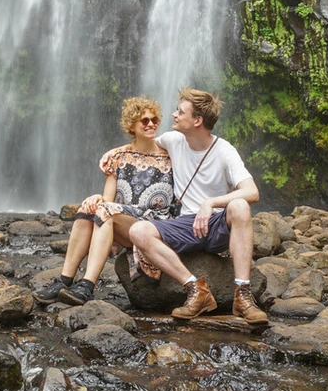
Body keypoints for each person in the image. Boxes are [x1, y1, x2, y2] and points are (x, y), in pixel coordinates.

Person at [105, 88, 268, 326]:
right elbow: (140, 143)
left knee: (241, 206)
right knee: (139, 231)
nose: (173, 114)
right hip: (185, 226)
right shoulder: (173, 140)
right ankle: (196, 290)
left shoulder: (224, 151)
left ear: (197, 121)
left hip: (216, 224)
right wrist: (113, 153)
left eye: (180, 111)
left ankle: (242, 295)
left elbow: (252, 192)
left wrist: (210, 202)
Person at [34, 97, 175, 306]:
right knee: (87, 209)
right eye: (144, 121)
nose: (151, 124)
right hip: (124, 221)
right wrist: (96, 199)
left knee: (104, 211)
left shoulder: (171, 155)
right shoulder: (117, 157)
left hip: (153, 224)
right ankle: (64, 280)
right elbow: (107, 200)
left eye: (154, 119)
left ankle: (88, 285)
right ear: (132, 126)